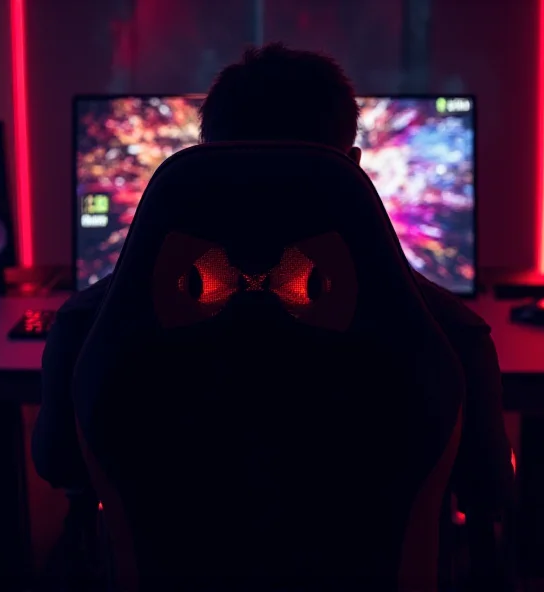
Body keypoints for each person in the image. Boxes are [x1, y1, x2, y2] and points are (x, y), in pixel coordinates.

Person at [32, 43, 513, 523]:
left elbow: (60, 465)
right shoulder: (452, 337)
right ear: (354, 166)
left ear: (203, 161)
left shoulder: (86, 327)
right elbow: (487, 489)